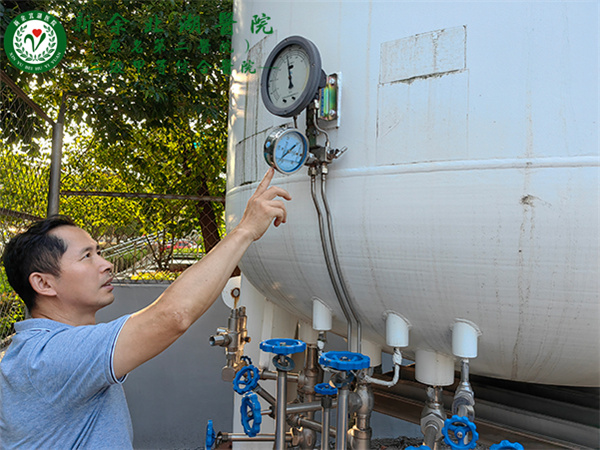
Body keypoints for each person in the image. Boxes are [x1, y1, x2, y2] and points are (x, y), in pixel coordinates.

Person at [0, 168, 291, 449]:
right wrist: (246, 230)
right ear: (44, 284)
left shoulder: (43, 348)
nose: (106, 263)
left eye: (99, 251)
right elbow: (172, 316)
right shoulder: (49, 356)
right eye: (86, 256)